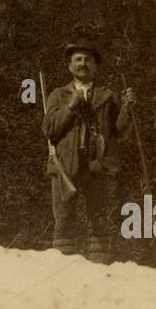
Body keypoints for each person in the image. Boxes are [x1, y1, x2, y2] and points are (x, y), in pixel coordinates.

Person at [42, 41, 135, 264]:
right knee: (64, 220)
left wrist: (127, 108)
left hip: (97, 165)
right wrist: (70, 106)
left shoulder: (108, 95)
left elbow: (119, 133)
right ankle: (63, 270)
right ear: (70, 66)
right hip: (65, 164)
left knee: (99, 220)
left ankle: (99, 271)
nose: (82, 64)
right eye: (78, 59)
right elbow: (49, 130)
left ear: (95, 67)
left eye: (87, 60)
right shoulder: (58, 95)